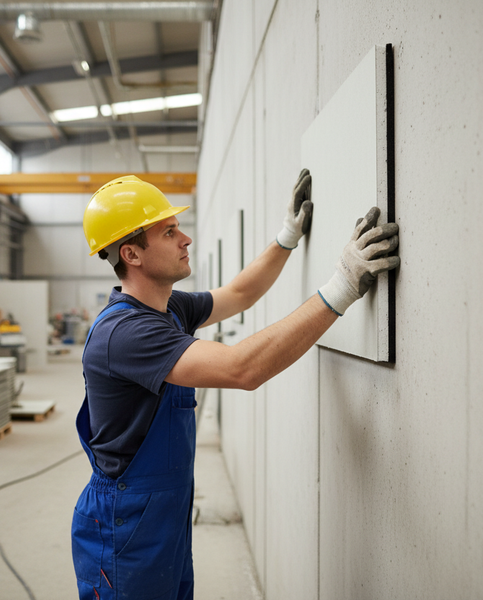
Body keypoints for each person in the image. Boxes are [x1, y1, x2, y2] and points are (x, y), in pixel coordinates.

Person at [71, 173, 399, 600]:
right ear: (131, 253)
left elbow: (241, 293)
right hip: (124, 525)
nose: (185, 239)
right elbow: (243, 369)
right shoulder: (126, 333)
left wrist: (287, 235)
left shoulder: (167, 309)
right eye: (169, 232)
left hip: (160, 516)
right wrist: (343, 284)